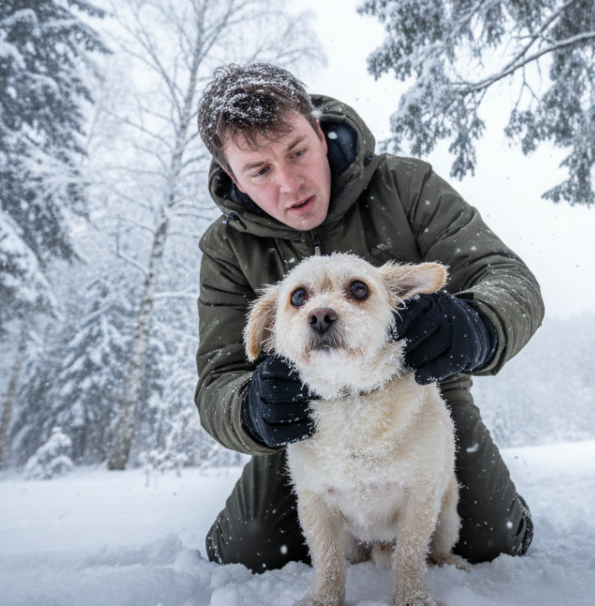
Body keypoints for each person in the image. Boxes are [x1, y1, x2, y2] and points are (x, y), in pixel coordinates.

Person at [194, 62, 545, 572]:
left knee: (492, 542)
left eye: (297, 152)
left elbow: (507, 277)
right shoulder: (227, 248)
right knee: (247, 551)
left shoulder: (404, 185)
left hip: (420, 399)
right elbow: (218, 378)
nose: (291, 185)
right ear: (232, 177)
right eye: (260, 170)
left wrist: (478, 324)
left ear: (318, 130)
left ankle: (497, 520)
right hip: (305, 416)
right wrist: (251, 409)